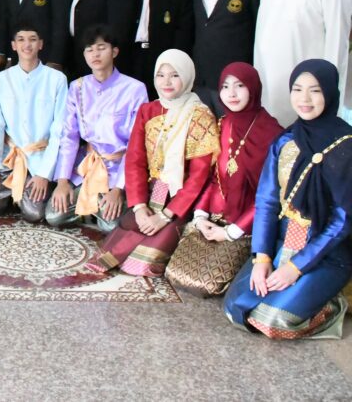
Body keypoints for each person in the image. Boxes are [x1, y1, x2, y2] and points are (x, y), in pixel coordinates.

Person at [224, 60, 352, 340]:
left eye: (315, 91)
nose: (304, 99)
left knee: (274, 321)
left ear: (330, 93)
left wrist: (295, 268)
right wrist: (262, 257)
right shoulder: (285, 141)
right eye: (297, 89)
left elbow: (342, 220)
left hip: (325, 253)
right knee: (235, 308)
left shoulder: (346, 145)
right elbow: (267, 202)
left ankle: (332, 305)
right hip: (282, 244)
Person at [90, 50, 219, 276]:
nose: (166, 82)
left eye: (174, 75)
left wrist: (165, 216)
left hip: (180, 201)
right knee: (114, 248)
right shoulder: (148, 110)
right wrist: (140, 207)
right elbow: (135, 161)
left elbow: (199, 177)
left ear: (187, 76)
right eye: (161, 75)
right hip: (150, 194)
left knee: (143, 265)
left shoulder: (200, 115)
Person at [166, 63, 282, 296]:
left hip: (247, 225)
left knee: (208, 283)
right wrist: (201, 216)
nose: (231, 93)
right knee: (175, 272)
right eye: (225, 87)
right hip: (215, 217)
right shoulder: (223, 124)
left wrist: (231, 232)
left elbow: (270, 196)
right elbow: (213, 178)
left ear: (253, 88)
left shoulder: (272, 134)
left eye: (240, 86)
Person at [50, 25, 147, 231]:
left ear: (114, 51)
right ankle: (90, 205)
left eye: (101, 48)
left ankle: (100, 206)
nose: (95, 54)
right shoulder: (77, 87)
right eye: (89, 49)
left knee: (110, 226)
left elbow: (136, 145)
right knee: (53, 216)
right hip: (88, 167)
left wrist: (118, 189)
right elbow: (69, 136)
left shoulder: (134, 89)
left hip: (118, 170)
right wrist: (63, 181)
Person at [0, 23, 68, 218]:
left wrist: (44, 174)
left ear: (40, 44)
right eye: (21, 40)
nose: (27, 45)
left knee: (34, 213)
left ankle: (21, 195)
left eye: (32, 40)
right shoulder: (1, 79)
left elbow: (59, 129)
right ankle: (15, 194)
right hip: (10, 158)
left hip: (39, 159)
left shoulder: (57, 79)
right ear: (13, 45)